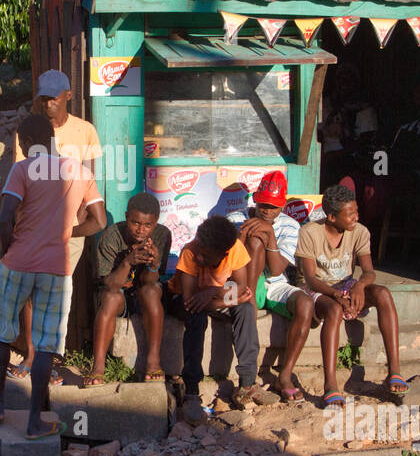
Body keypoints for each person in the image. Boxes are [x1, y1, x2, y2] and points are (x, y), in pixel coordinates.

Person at [0, 114, 106, 438]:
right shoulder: (81, 171)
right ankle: (35, 421)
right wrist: (66, 232)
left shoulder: (22, 169)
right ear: (52, 137)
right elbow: (100, 221)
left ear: (24, 141)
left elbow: (4, 219)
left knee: (3, 334)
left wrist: (7, 251)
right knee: (46, 345)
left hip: (17, 263)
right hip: (57, 269)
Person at [10, 69, 103, 380]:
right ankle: (33, 355)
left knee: (54, 293)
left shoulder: (85, 131)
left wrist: (73, 222)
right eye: (43, 98)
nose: (48, 103)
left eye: (53, 97)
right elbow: (20, 178)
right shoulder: (30, 131)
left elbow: (89, 180)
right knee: (31, 291)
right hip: (34, 225)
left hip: (70, 227)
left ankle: (47, 361)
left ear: (68, 96)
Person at [296, 183, 406, 408]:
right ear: (332, 217)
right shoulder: (310, 233)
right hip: (317, 288)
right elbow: (310, 279)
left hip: (346, 285)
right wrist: (337, 295)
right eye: (350, 214)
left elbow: (369, 272)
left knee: (383, 293)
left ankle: (394, 371)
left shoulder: (360, 232)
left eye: (356, 211)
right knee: (335, 310)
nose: (356, 217)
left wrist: (358, 287)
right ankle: (330, 386)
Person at [165, 215, 259, 422]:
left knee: (245, 310)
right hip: (187, 300)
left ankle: (247, 383)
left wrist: (212, 292)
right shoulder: (190, 251)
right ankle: (191, 390)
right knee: (197, 318)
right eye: (199, 252)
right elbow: (191, 301)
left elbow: (241, 287)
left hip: (214, 297)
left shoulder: (234, 249)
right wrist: (225, 301)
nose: (200, 258)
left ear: (223, 254)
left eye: (206, 257)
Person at [228, 171, 311, 403]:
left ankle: (284, 376)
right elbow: (227, 261)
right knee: (254, 240)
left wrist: (271, 236)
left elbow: (276, 270)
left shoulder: (290, 225)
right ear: (255, 200)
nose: (266, 210)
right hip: (241, 282)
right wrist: (242, 237)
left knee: (304, 303)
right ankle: (250, 298)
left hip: (274, 284)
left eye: (273, 207)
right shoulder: (235, 217)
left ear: (282, 205)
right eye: (262, 204)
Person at [91, 193, 172, 387]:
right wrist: (128, 261)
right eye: (135, 223)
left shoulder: (162, 235)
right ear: (127, 217)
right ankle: (98, 367)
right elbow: (110, 284)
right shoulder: (112, 236)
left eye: (147, 225)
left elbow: (150, 281)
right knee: (111, 298)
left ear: (155, 222)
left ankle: (153, 363)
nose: (140, 230)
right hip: (118, 295)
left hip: (143, 293)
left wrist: (153, 264)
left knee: (152, 291)